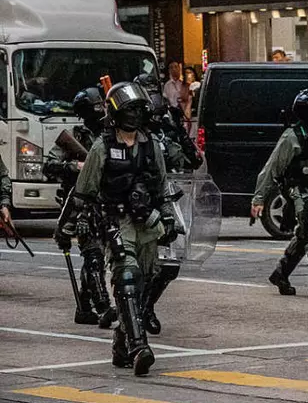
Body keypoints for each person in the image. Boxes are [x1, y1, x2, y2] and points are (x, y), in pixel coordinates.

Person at [75, 81, 176, 376]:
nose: (134, 115)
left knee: (145, 284)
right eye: (128, 110)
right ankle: (138, 347)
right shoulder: (102, 147)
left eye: (138, 110)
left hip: (148, 222)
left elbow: (162, 187)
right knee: (127, 278)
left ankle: (121, 342)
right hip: (117, 222)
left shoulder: (151, 145)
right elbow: (84, 191)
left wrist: (168, 217)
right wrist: (76, 224)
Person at [133, 74, 204, 335]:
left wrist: (178, 134)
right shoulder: (129, 123)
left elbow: (192, 159)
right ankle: (130, 309)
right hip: (139, 197)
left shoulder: (168, 121)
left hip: (170, 193)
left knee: (172, 263)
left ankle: (146, 306)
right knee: (138, 263)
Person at [253, 89, 308, 301]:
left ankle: (280, 273)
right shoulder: (292, 136)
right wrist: (259, 198)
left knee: (304, 235)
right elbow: (271, 168)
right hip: (299, 191)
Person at [45, 87, 113, 327]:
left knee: (98, 257)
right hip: (80, 206)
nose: (100, 112)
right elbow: (49, 166)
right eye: (96, 108)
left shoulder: (109, 136)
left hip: (107, 204)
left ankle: (84, 306)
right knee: (93, 256)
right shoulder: (76, 136)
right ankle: (103, 305)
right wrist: (76, 167)